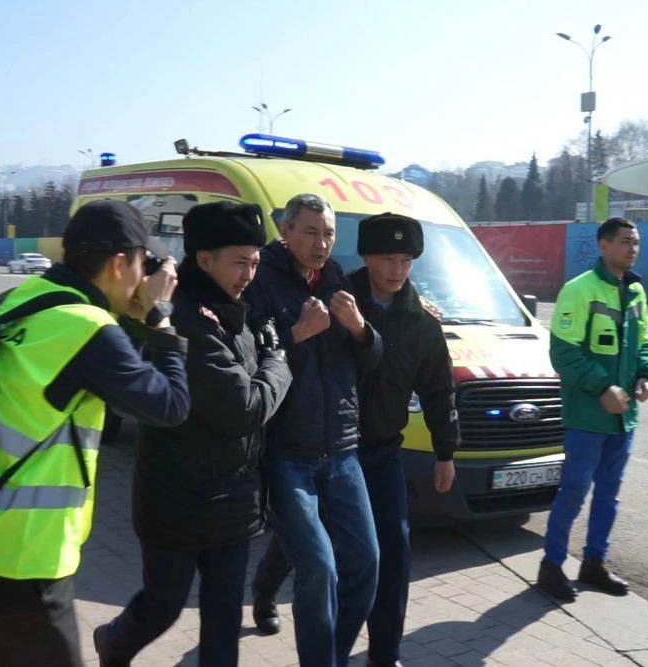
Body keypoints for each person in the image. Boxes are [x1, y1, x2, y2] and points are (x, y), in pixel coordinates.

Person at [0, 200, 191, 666]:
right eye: (140, 265)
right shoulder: (88, 329)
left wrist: (127, 316)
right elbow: (170, 406)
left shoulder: (28, 296)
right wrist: (161, 319)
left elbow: (86, 365)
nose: (142, 278)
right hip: (24, 553)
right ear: (118, 265)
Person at [252, 212, 460, 665]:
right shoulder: (337, 293)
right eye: (386, 259)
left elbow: (438, 388)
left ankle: (379, 653)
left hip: (378, 450)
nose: (396, 270)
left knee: (390, 553)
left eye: (405, 260)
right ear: (366, 257)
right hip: (321, 444)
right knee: (301, 547)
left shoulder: (420, 320)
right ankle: (264, 593)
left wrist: (446, 450)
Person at [92, 201, 293, 666]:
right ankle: (114, 643)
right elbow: (246, 408)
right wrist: (279, 360)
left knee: (223, 618)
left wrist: (264, 355)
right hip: (177, 500)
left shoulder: (231, 309)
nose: (249, 274)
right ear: (204, 259)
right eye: (240, 262)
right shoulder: (186, 319)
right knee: (163, 605)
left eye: (255, 263)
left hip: (233, 497)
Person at [243, 193, 383, 667]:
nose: (321, 243)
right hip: (288, 453)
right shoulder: (260, 281)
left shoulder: (338, 279)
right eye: (310, 232)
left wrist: (361, 328)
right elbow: (249, 360)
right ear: (285, 232)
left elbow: (372, 360)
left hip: (342, 449)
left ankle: (331, 654)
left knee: (366, 562)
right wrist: (296, 335)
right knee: (320, 567)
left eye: (328, 234)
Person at [535, 217, 648, 602]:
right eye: (624, 242)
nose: (632, 249)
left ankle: (594, 563)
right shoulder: (579, 289)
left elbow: (644, 343)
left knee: (609, 494)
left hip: (623, 417)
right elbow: (564, 353)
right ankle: (551, 566)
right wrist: (603, 387)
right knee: (574, 490)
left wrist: (645, 376)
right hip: (587, 416)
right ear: (603, 245)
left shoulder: (636, 291)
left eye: (635, 242)